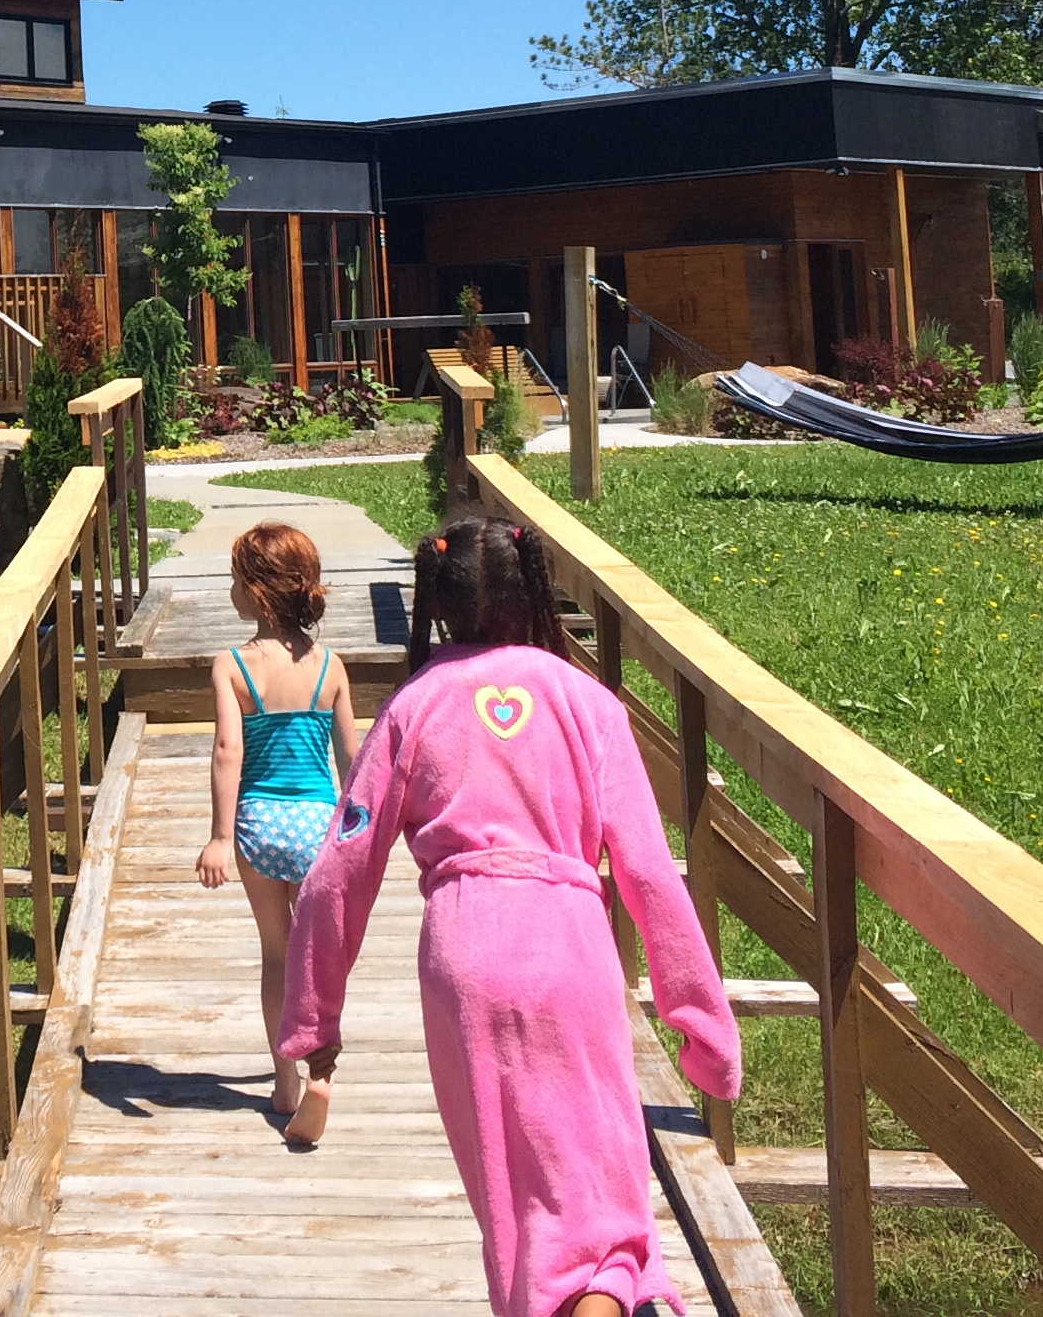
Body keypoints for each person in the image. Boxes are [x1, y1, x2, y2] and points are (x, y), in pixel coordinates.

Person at [279, 517, 741, 1317]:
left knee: (515, 1208)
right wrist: (703, 1025)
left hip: (462, 960)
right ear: (534, 592)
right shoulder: (588, 704)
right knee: (601, 1212)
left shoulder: (413, 708)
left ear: (439, 603)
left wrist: (314, 1021)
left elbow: (338, 872)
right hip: (568, 945)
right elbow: (648, 873)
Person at [192, 520, 361, 1142]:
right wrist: (359, 827)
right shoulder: (330, 665)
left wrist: (219, 836)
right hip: (318, 824)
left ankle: (285, 1082)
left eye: (236, 580)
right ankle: (321, 1067)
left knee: (277, 953)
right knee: (316, 958)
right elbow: (351, 757)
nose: (231, 590)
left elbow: (227, 752)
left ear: (256, 592)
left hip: (259, 824)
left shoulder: (233, 665)